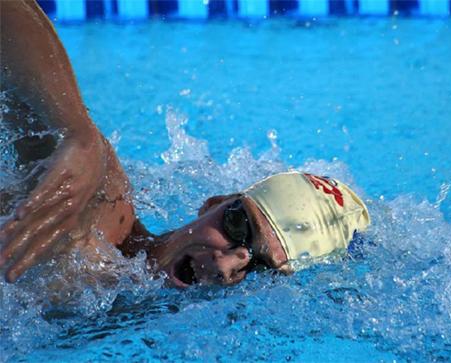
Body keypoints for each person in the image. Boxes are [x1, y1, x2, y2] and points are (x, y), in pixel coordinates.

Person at [0, 0, 370, 288]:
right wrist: (75, 128)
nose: (225, 264)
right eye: (239, 227)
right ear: (214, 203)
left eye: (257, 267)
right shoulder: (91, 209)